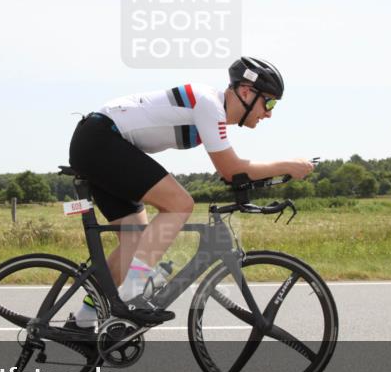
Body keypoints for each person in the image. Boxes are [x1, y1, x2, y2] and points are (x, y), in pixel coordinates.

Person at [66, 57, 314, 327]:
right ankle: (132, 293)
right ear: (246, 92)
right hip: (101, 139)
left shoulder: (211, 110)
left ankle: (84, 320)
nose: (269, 113)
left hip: (99, 142)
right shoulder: (209, 105)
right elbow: (230, 169)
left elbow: (234, 173)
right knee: (179, 204)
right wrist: (289, 165)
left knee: (135, 241)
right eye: (269, 102)